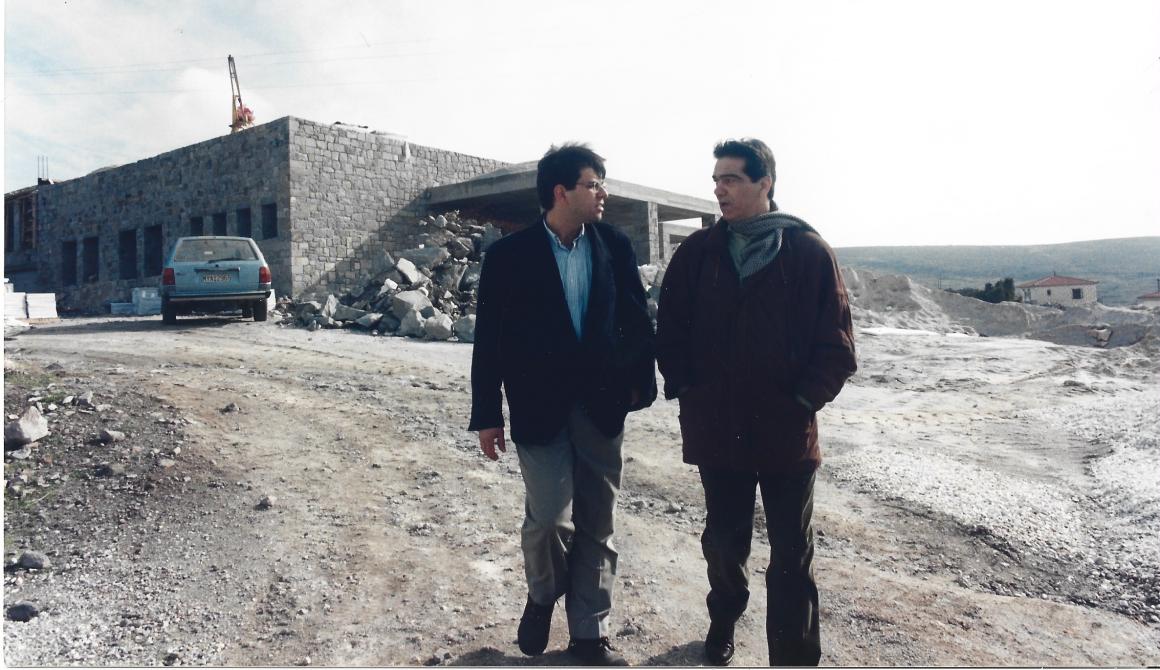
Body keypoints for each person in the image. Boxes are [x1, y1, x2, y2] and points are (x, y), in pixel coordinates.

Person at [655, 138, 857, 666]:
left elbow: (837, 345)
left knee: (792, 552)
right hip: (718, 429)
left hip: (786, 432)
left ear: (764, 183)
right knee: (725, 543)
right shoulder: (698, 253)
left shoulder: (808, 252)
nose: (719, 190)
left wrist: (801, 401)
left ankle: (793, 657)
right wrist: (689, 389)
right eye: (716, 180)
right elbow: (670, 330)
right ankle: (724, 618)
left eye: (731, 180)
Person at [468, 143, 656, 666]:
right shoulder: (508, 257)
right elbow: (489, 341)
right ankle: (543, 593)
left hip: (602, 406)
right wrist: (487, 414)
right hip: (538, 408)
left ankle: (590, 631)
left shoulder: (614, 246)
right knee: (549, 517)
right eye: (594, 184)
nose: (603, 193)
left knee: (598, 521)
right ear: (561, 191)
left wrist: (637, 385)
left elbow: (637, 320)